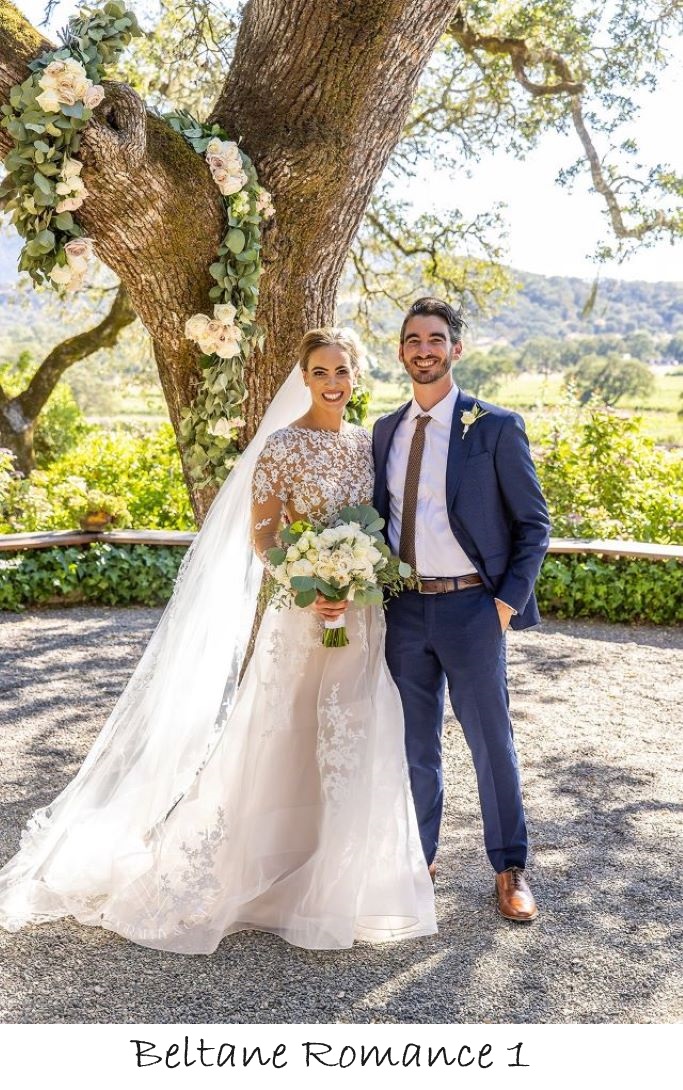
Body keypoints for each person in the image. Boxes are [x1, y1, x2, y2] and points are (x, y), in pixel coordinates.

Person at [0, 328, 436, 953]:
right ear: (305, 378)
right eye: (320, 372)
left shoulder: (368, 447)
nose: (333, 383)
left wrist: (355, 579)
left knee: (349, 727)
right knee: (283, 725)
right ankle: (261, 867)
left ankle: (337, 876)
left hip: (360, 616)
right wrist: (316, 584)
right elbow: (263, 539)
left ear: (357, 375)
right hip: (301, 611)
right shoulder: (282, 446)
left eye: (342, 370)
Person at [373, 297, 550, 922]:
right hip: (404, 612)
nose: (425, 349)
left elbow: (534, 525)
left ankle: (509, 868)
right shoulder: (385, 431)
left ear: (456, 349)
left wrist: (505, 604)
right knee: (414, 743)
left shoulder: (495, 426)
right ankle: (419, 859)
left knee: (490, 742)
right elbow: (379, 522)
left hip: (474, 608)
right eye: (414, 339)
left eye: (436, 338)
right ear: (401, 351)